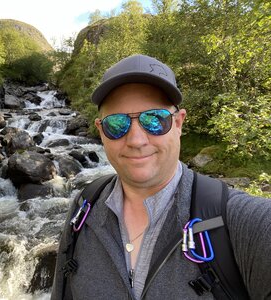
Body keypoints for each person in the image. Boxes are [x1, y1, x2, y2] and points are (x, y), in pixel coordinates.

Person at [51, 54, 271, 299]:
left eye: (154, 120)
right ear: (101, 130)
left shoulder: (244, 223)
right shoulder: (83, 208)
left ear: (178, 123)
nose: (136, 140)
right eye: (117, 124)